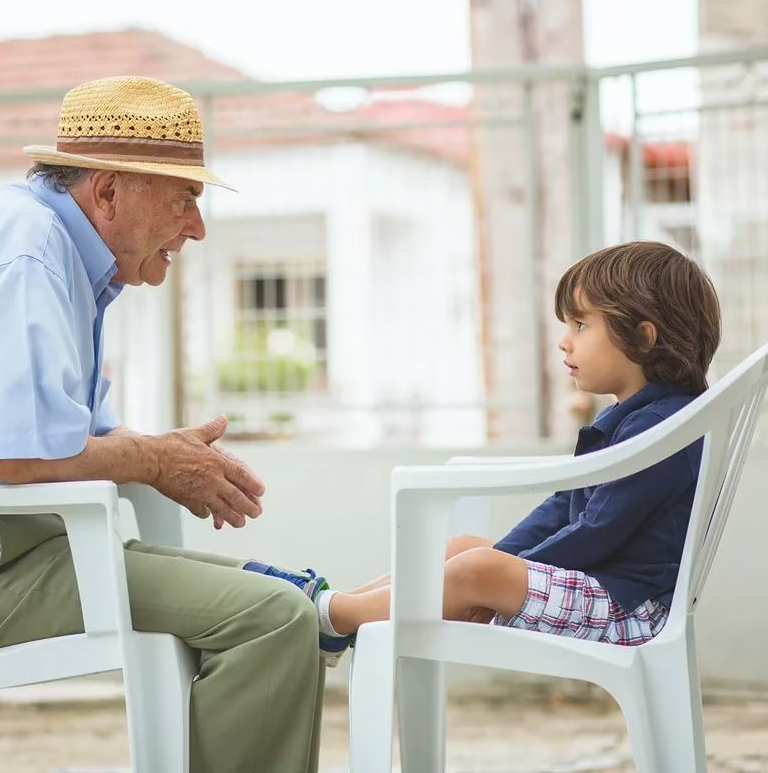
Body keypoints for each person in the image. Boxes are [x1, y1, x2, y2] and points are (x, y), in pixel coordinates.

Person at [0, 76, 326, 773]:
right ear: (107, 192)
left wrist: (158, 454)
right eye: (185, 196)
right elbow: (13, 459)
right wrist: (154, 460)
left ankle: (328, 609)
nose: (196, 226)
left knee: (286, 601)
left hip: (8, 548)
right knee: (272, 620)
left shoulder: (56, 250)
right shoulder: (25, 245)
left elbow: (79, 443)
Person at [247, 240, 722, 655]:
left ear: (642, 336)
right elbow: (564, 508)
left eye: (580, 326)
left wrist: (499, 578)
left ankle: (334, 614)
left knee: (478, 567)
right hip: (602, 590)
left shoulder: (663, 427)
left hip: (629, 609)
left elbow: (598, 529)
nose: (564, 342)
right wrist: (503, 565)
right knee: (463, 549)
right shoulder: (637, 418)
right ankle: (343, 606)